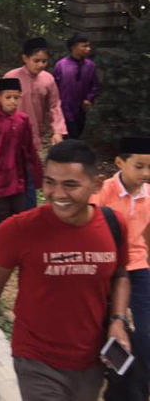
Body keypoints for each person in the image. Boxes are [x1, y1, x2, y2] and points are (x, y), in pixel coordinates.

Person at [0, 140, 132, 401]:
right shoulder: (17, 230)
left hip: (91, 362)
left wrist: (118, 321)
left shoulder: (113, 225)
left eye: (70, 185)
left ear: (96, 185)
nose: (57, 194)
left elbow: (120, 276)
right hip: (36, 360)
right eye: (50, 182)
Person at [91, 136, 150, 399]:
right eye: (139, 166)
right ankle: (112, 383)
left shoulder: (149, 195)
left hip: (137, 267)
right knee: (108, 326)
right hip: (107, 269)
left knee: (146, 332)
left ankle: (139, 389)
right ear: (119, 163)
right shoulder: (104, 192)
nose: (145, 173)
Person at [0, 36, 68, 206]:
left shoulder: (48, 80)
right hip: (8, 137)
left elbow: (55, 106)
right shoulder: (11, 77)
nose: (40, 65)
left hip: (31, 138)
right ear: (25, 58)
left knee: (28, 179)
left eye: (44, 61)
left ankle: (27, 213)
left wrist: (57, 131)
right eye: (36, 60)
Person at [0, 77, 42, 229]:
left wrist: (36, 172)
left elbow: (29, 149)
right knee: (1, 212)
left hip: (18, 176)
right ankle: (0, 238)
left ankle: (15, 239)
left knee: (20, 210)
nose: (12, 101)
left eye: (16, 98)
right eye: (8, 97)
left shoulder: (23, 120)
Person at [53, 34, 101, 139]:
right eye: (84, 46)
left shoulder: (90, 65)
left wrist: (89, 99)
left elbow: (95, 85)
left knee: (77, 134)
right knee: (71, 135)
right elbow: (54, 87)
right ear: (73, 47)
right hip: (65, 108)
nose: (88, 49)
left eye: (89, 46)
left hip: (81, 109)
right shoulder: (61, 65)